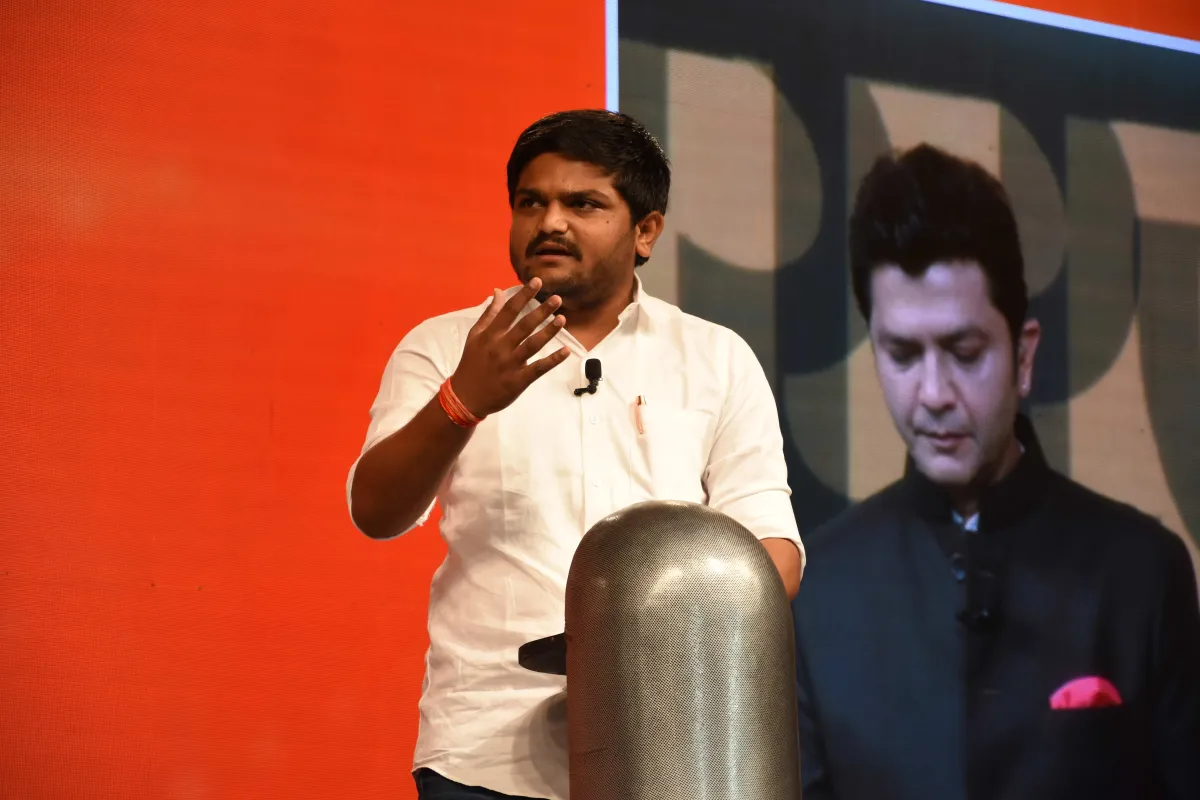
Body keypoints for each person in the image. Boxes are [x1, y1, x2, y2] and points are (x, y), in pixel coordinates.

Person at [347, 109, 805, 800]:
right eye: (531, 202)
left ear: (646, 230)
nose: (550, 222)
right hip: (483, 755)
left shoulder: (715, 358)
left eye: (583, 204)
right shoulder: (444, 348)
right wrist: (462, 401)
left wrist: (662, 641)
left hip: (674, 743)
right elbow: (375, 511)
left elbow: (769, 552)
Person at [791, 143, 1200, 800]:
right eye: (903, 355)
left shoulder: (1141, 575)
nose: (933, 393)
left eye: (964, 352)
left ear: (1023, 355)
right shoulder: (818, 593)